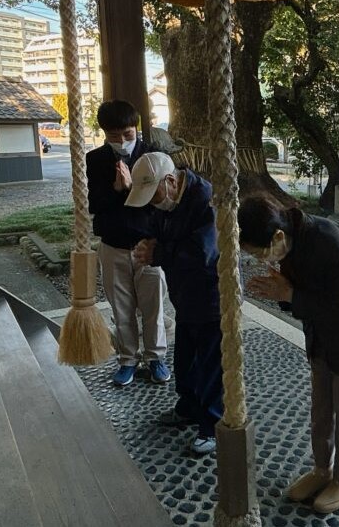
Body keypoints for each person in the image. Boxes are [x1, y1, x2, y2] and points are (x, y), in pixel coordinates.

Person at [238, 195, 339, 514]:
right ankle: (322, 469)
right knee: (321, 408)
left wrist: (290, 293)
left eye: (261, 252)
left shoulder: (329, 244)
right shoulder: (290, 240)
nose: (264, 260)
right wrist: (285, 293)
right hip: (323, 338)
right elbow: (300, 298)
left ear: (277, 236)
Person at [127, 152, 223, 456]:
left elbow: (203, 252)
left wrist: (160, 253)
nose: (153, 204)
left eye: (154, 195)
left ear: (170, 181)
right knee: (185, 358)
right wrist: (147, 243)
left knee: (211, 364)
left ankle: (212, 425)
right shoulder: (166, 201)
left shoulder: (206, 198)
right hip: (184, 296)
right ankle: (188, 407)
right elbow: (157, 232)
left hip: (211, 296)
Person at [85, 100, 179, 387]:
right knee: (121, 307)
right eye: (115, 136)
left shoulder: (152, 157)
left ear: (136, 129)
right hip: (113, 245)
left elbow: (163, 204)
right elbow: (93, 205)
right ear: (104, 134)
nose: (123, 141)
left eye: (128, 134)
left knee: (153, 307)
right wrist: (116, 189)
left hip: (148, 245)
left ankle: (156, 358)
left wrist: (133, 189)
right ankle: (127, 359)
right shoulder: (95, 159)